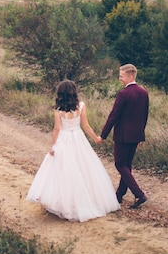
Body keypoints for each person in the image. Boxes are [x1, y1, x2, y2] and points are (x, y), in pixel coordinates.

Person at [26, 80, 120, 222]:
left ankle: (64, 204)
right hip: (78, 138)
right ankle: (87, 200)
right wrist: (96, 138)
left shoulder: (58, 109)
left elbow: (57, 129)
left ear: (60, 93)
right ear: (74, 92)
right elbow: (86, 126)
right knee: (84, 168)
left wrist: (52, 146)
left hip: (64, 139)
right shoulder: (81, 106)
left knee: (63, 171)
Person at [98, 64, 149, 209]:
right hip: (136, 134)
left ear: (130, 76)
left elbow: (114, 115)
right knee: (127, 165)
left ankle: (139, 194)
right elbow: (144, 116)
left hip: (123, 135)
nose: (120, 79)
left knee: (120, 164)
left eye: (121, 76)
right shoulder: (143, 92)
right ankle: (119, 195)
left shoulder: (123, 94)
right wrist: (141, 135)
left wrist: (103, 135)